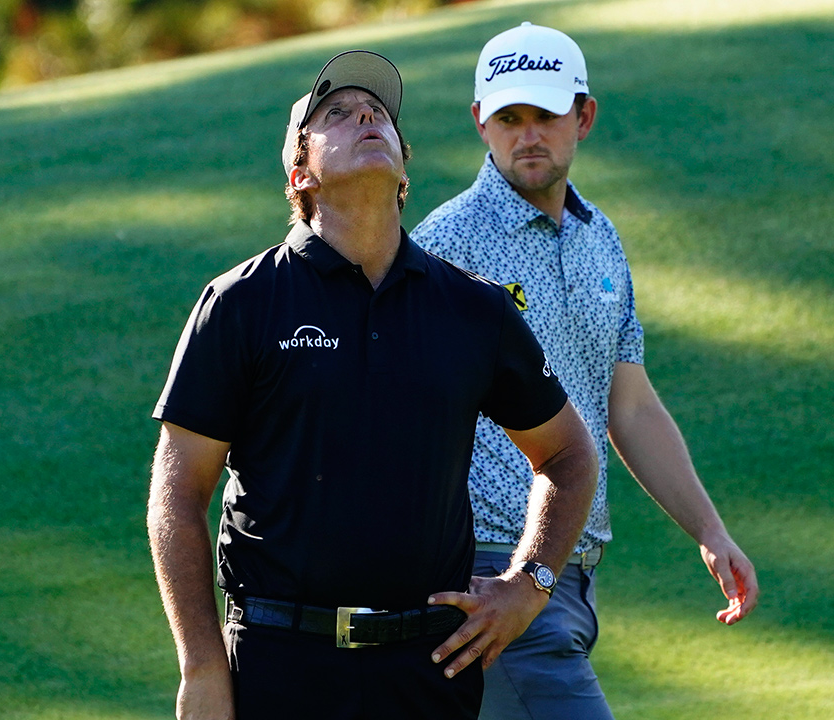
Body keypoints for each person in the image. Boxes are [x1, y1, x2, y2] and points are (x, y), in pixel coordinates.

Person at [147, 49, 599, 720]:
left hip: (428, 673)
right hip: (276, 669)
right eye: (336, 114)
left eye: (378, 113)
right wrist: (203, 667)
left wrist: (528, 584)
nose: (365, 115)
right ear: (301, 173)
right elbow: (177, 501)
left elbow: (568, 456)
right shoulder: (240, 303)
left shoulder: (473, 310)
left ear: (403, 163)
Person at [411, 23, 761, 719]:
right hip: (490, 575)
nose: (528, 134)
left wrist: (709, 532)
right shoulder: (441, 247)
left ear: (585, 116)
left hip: (562, 580)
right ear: (480, 122)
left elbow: (627, 406)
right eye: (509, 118)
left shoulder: (601, 239)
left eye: (546, 115)